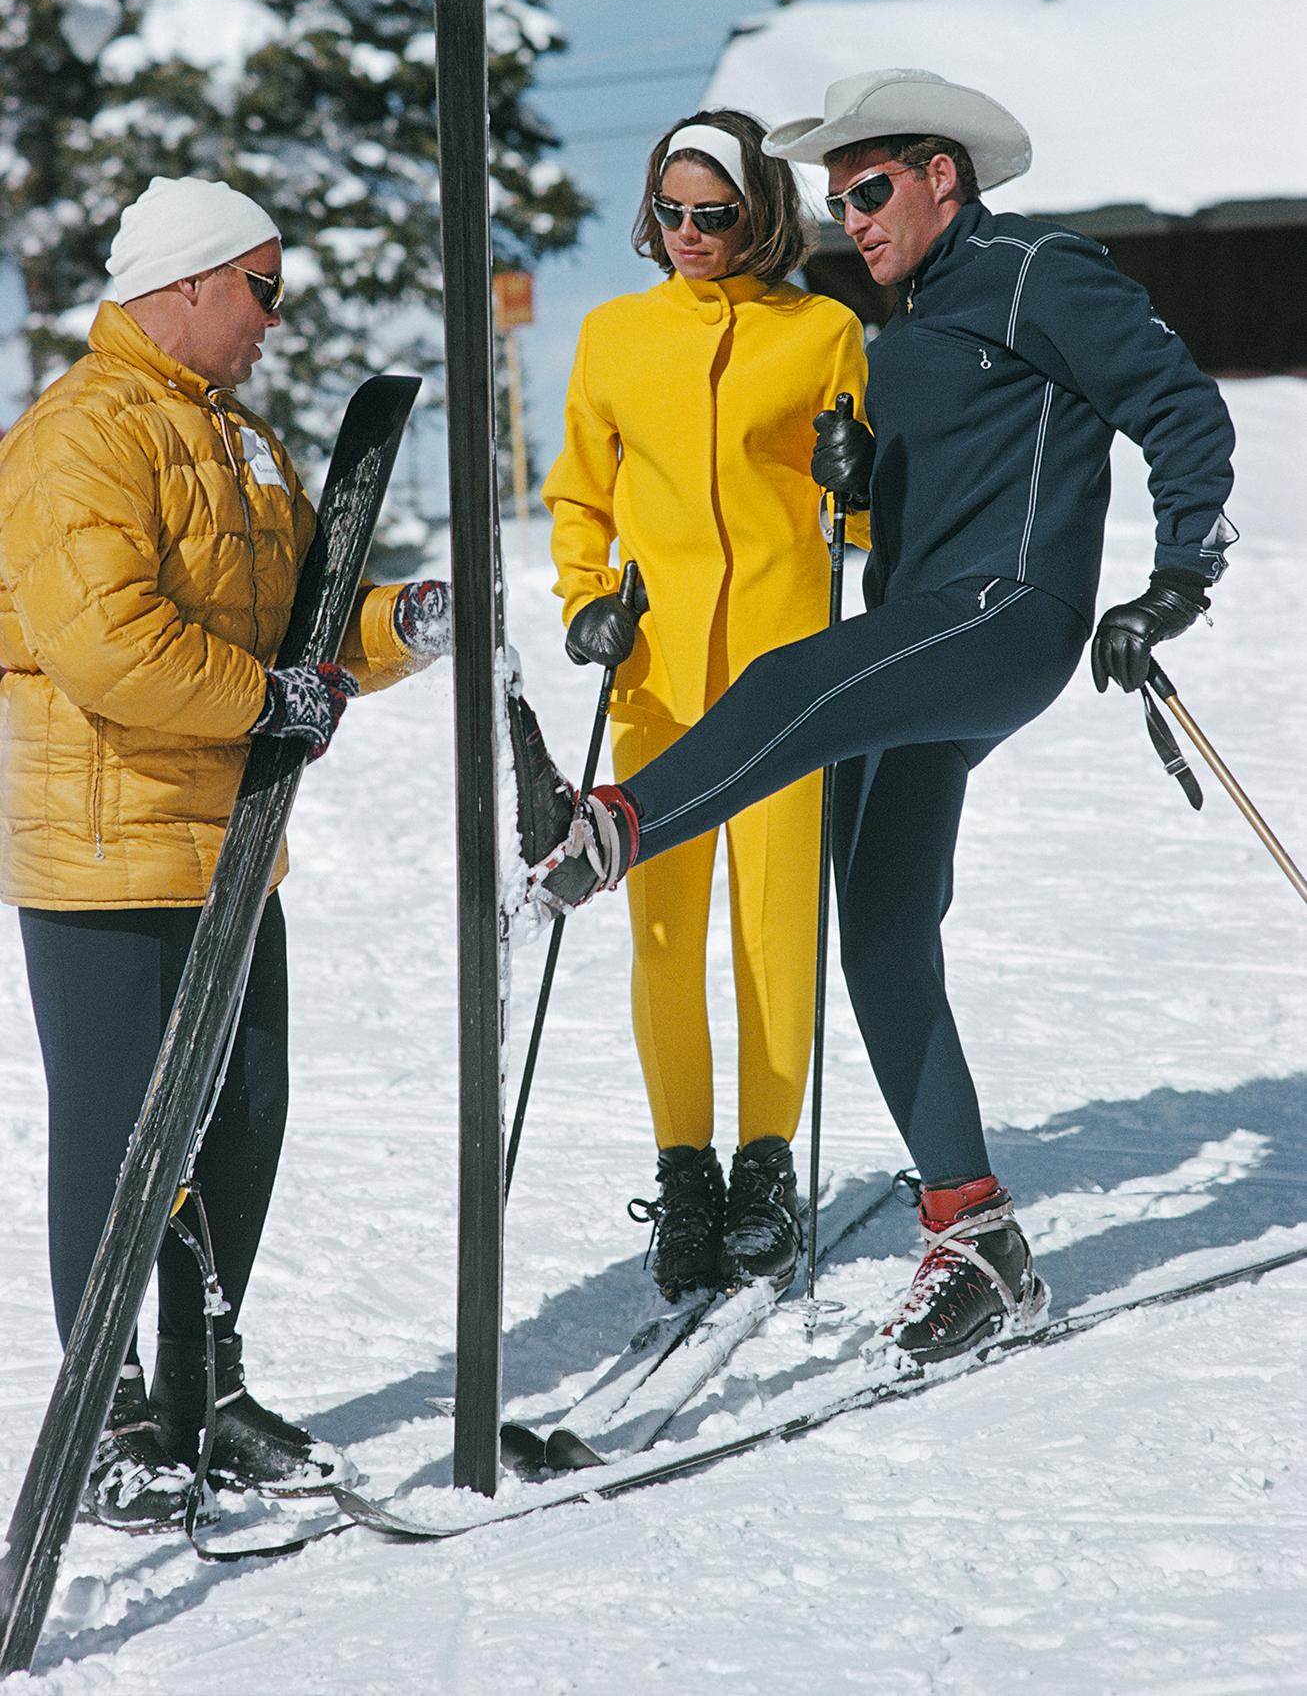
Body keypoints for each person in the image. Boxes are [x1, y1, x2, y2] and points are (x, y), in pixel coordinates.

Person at [514, 68, 1236, 1366]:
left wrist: (1176, 572)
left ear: (938, 174)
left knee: (789, 678)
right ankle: (974, 1238)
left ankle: (615, 823)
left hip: (1004, 614)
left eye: (867, 187)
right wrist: (845, 487)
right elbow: (897, 509)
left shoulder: (1030, 266)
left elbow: (1172, 402)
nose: (848, 215)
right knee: (881, 929)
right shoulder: (900, 325)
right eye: (832, 197)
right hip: (924, 637)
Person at [0, 176, 452, 1531]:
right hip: (104, 841)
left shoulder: (242, 444)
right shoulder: (79, 433)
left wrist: (395, 627)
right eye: (262, 286)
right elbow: (107, 640)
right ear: (189, 281)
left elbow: (304, 624)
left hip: (231, 843)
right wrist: (270, 701)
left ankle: (202, 1380)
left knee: (244, 1110)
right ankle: (112, 1403)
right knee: (124, 1129)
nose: (274, 315)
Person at [541, 110, 868, 1302]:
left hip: (786, 676)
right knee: (664, 935)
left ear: (759, 211)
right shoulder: (613, 335)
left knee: (773, 928)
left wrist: (857, 482)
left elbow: (865, 513)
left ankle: (764, 1168)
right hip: (659, 682)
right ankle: (685, 1178)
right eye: (670, 211)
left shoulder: (823, 329)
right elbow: (578, 495)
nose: (686, 234)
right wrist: (586, 600)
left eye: (712, 214)